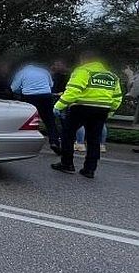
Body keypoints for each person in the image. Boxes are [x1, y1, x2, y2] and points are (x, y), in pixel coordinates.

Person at [52, 50, 122, 179]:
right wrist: (111, 111)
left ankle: (67, 164)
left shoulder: (83, 71)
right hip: (102, 110)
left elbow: (74, 90)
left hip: (81, 107)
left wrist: (58, 106)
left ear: (83, 59)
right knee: (94, 140)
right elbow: (117, 97)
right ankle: (89, 169)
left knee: (68, 134)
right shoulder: (112, 76)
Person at [11, 61, 59, 154]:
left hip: (30, 97)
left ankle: (27, 144)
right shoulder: (44, 71)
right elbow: (51, 84)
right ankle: (54, 142)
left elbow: (14, 88)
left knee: (29, 120)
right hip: (46, 96)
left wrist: (21, 90)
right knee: (49, 120)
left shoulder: (22, 72)